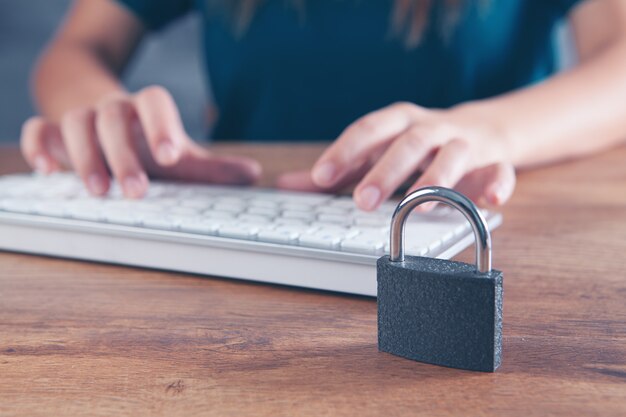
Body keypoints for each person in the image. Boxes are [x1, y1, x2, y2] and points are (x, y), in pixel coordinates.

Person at [20, 0, 626, 212]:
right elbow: (76, 48)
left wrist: (491, 129)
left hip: (475, 221)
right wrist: (105, 113)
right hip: (246, 220)